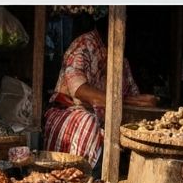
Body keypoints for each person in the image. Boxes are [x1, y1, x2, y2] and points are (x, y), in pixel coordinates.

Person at [42, 9, 157, 166]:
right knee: (89, 121)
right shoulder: (82, 45)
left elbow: (133, 95)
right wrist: (125, 102)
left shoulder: (120, 59)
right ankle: (87, 174)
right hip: (70, 113)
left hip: (107, 120)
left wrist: (143, 104)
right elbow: (79, 89)